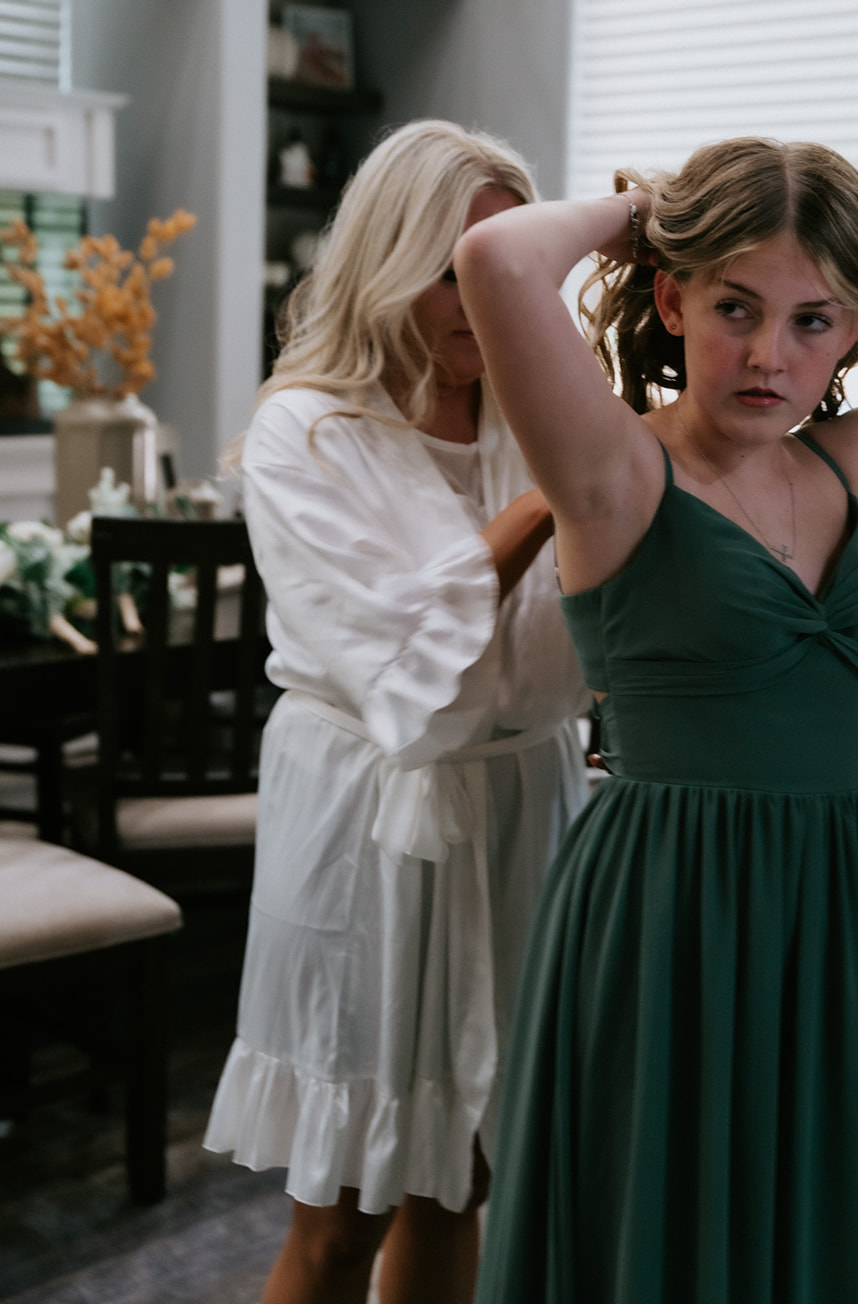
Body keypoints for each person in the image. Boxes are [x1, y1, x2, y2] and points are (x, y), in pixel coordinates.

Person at [453, 136, 858, 1304]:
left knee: (795, 1199)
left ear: (855, 332)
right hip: (666, 896)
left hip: (822, 891)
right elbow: (496, 257)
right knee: (660, 1204)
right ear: (672, 298)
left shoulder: (852, 464)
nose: (771, 355)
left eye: (814, 322)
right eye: (736, 307)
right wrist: (644, 215)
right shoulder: (614, 473)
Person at [204, 119, 589, 1304]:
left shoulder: (545, 411)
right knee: (343, 1212)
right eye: (450, 271)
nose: (478, 299)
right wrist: (559, 495)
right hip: (367, 816)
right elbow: (409, 669)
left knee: (464, 1175)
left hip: (526, 798)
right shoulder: (308, 431)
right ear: (387, 259)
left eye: (503, 267)